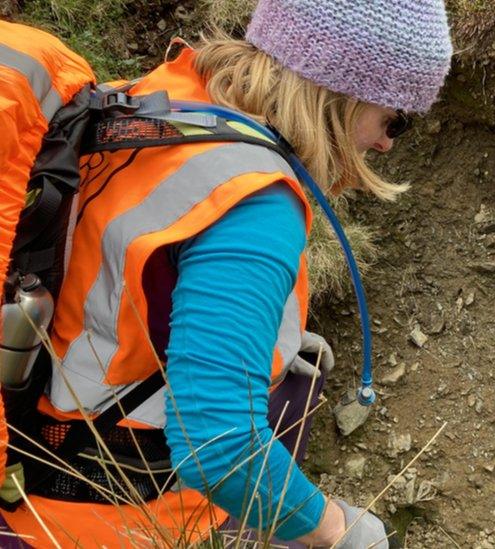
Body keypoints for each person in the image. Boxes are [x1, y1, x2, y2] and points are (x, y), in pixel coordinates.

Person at [0, 0, 452, 547]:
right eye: (393, 120)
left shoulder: (163, 100)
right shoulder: (255, 209)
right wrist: (345, 531)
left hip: (28, 425)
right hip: (80, 514)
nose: (384, 143)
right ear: (341, 92)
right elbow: (220, 451)